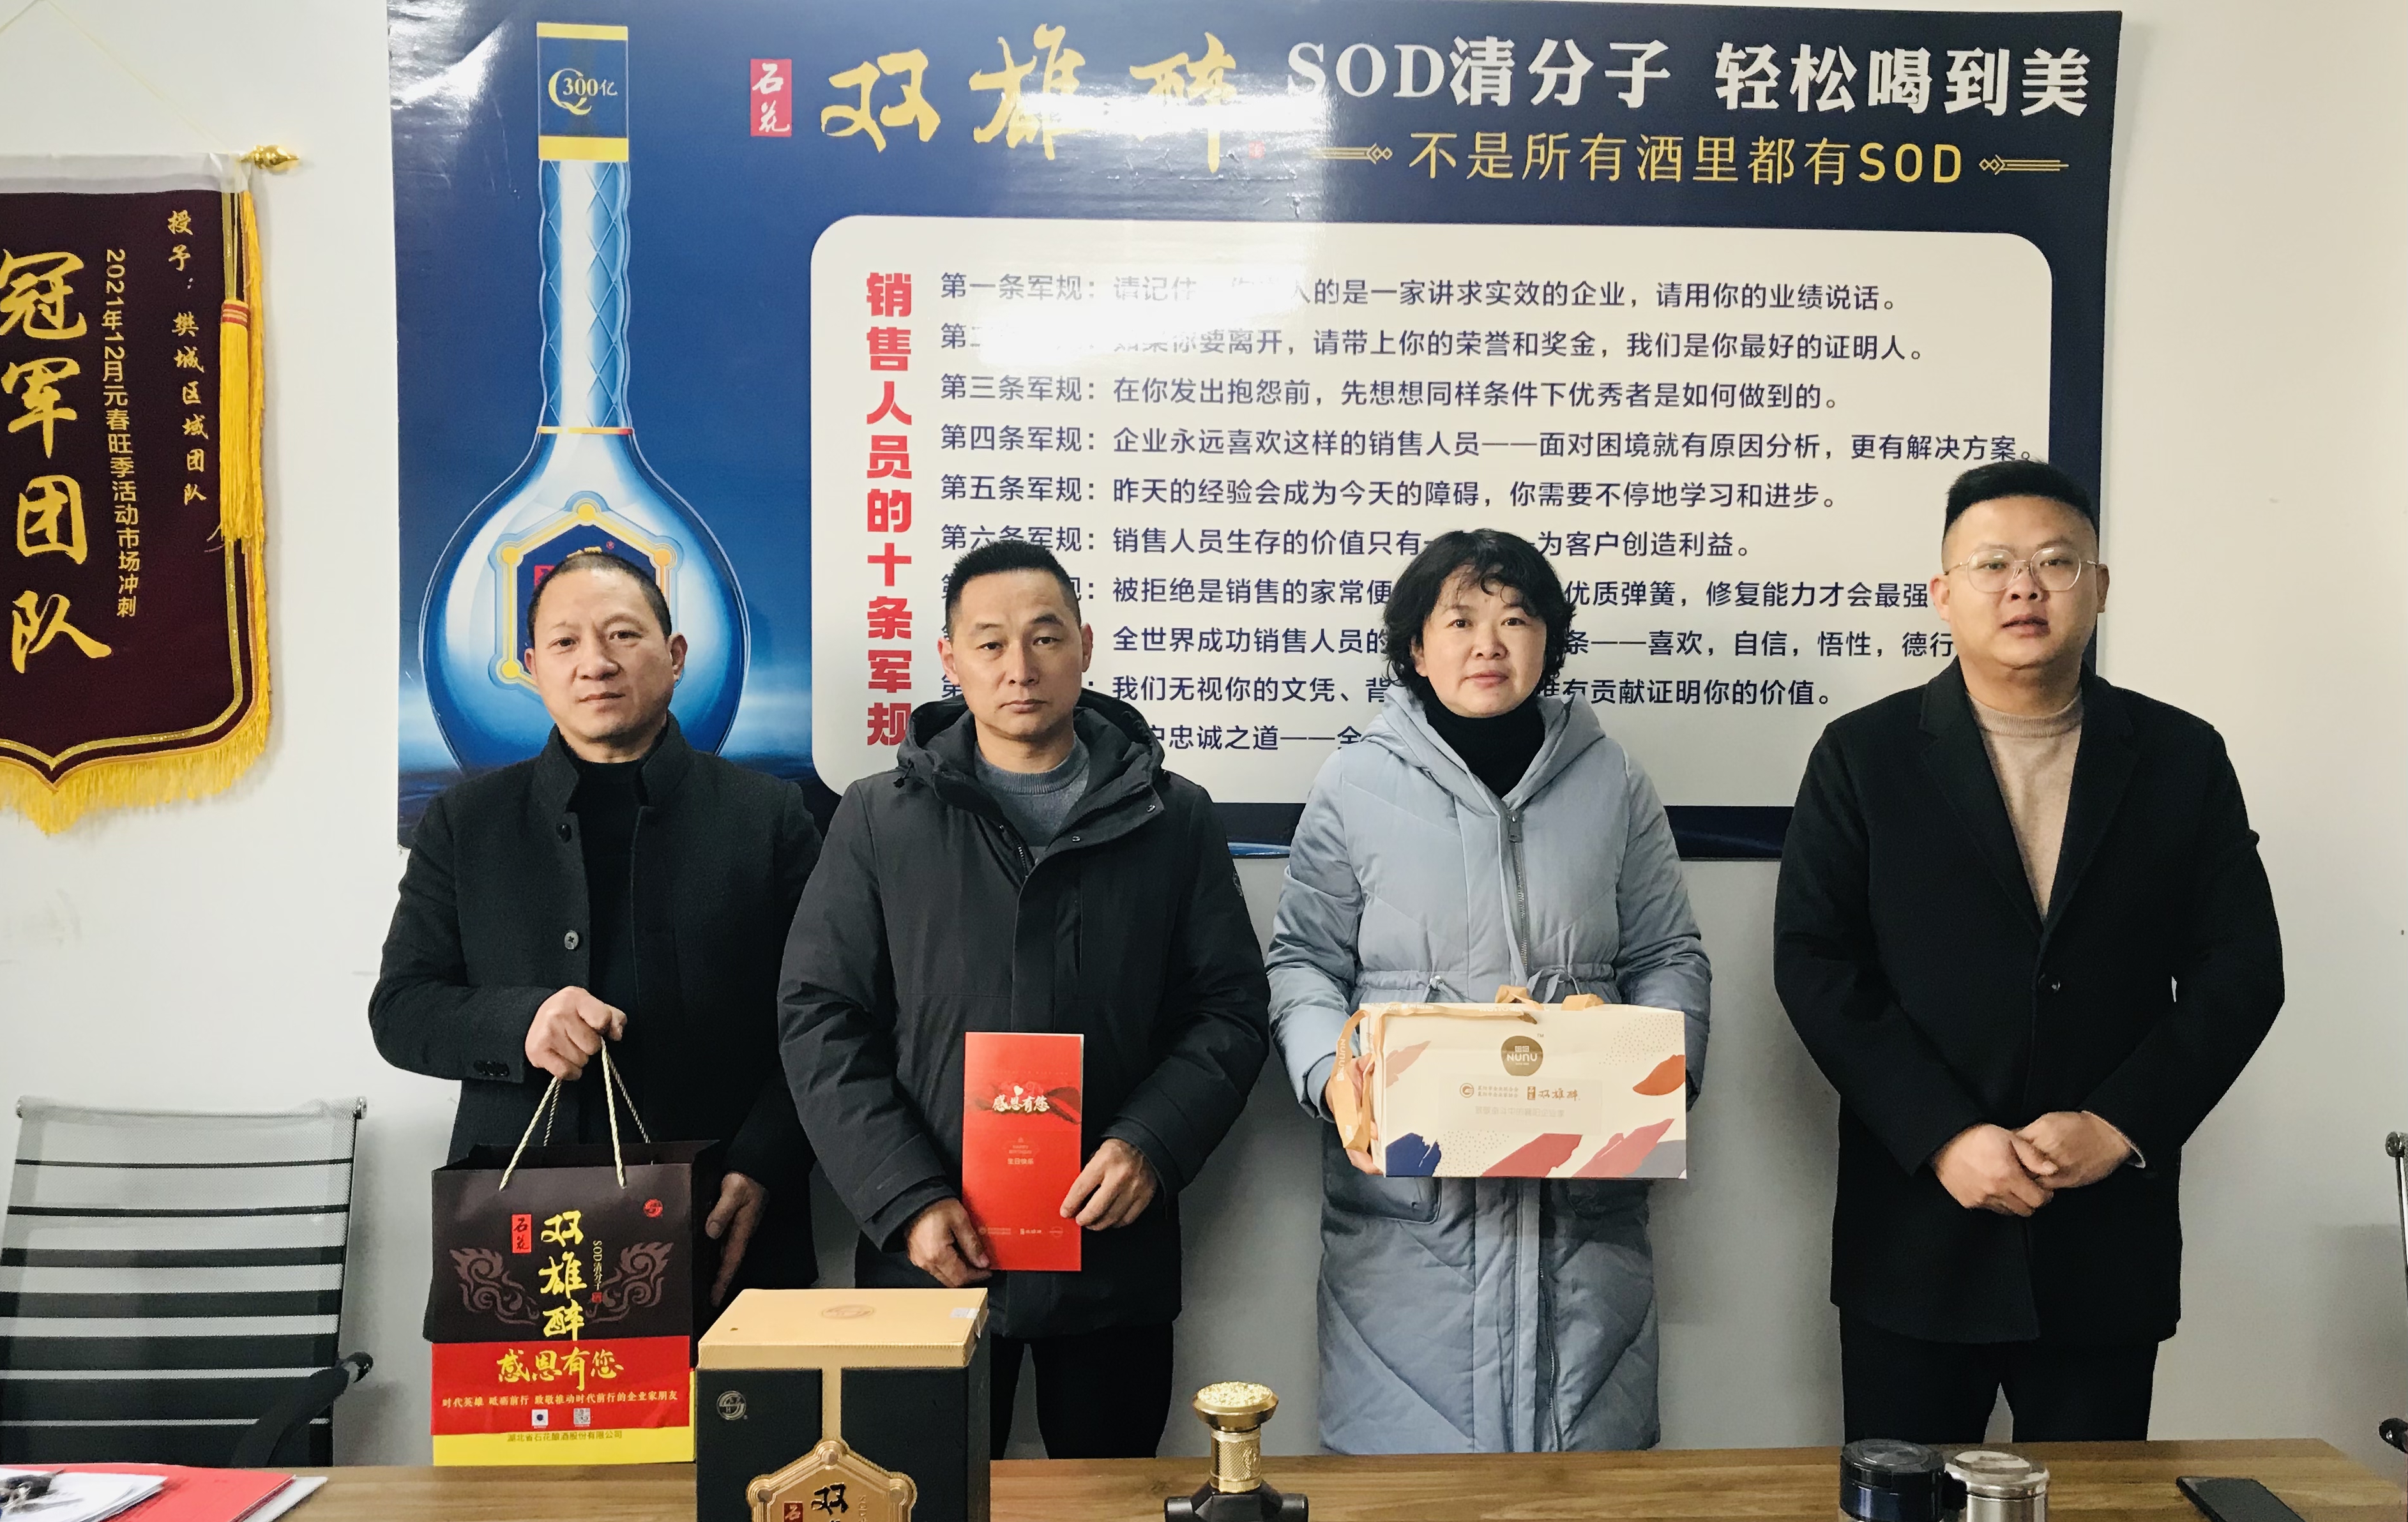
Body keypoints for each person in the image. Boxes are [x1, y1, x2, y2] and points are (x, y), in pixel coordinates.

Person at [1775, 459, 2284, 1444]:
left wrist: (2120, 1123)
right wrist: (1941, 1135)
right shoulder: (1862, 755)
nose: (2023, 587)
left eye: (2054, 562)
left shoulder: (2179, 757)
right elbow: (1816, 964)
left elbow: (2240, 970)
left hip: (2102, 1234)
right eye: (1992, 564)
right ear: (1942, 593)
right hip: (1917, 1231)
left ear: (2099, 586)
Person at [778, 538, 1269, 1459]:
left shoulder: (1173, 817)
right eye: (990, 642)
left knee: (1108, 1519)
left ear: (1084, 644)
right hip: (930, 1258)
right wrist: (906, 1196)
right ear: (949, 657)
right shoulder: (879, 817)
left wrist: (1150, 1141)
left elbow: (1228, 1010)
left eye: (1044, 638)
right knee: (921, 1519)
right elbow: (819, 1019)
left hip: (1110, 1253)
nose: (1019, 667)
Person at [1266, 528, 1711, 1454]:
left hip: (1581, 1226)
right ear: (1415, 647)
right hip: (1409, 1229)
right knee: (1409, 1514)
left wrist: (1654, 1074)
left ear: (1548, 640)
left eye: (1515, 619)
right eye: (1459, 620)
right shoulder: (1353, 784)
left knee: (1583, 1506)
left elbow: (1668, 952)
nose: (1488, 644)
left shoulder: (1612, 780)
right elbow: (1303, 960)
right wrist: (1331, 1076)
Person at [373, 547, 822, 1304]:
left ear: (674, 655)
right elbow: (400, 1010)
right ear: (531, 666)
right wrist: (522, 1022)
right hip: (522, 1232)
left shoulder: (767, 816)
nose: (596, 663)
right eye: (565, 642)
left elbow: (825, 1016)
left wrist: (764, 1163)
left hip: (727, 1214)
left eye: (622, 635)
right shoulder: (466, 822)